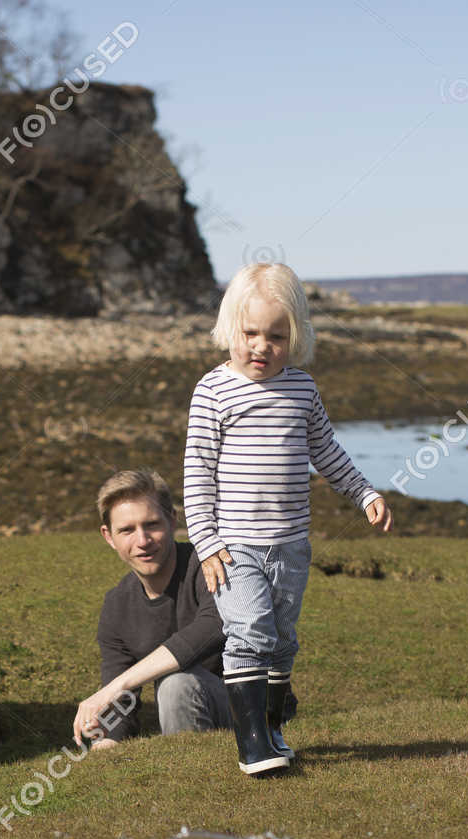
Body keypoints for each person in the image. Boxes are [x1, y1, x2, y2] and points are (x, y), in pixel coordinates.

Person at [183, 262, 393, 775]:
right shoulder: (214, 391)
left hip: (292, 545)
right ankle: (251, 742)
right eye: (250, 333)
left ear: (295, 335)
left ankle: (273, 729)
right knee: (250, 631)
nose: (261, 346)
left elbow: (327, 450)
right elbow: (197, 473)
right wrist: (206, 543)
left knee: (281, 640)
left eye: (276, 336)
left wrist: (363, 492)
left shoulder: (301, 390)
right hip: (236, 547)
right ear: (229, 328)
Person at [72, 469, 230, 748]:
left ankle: (194, 780)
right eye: (127, 530)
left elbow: (214, 626)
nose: (142, 541)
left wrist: (117, 686)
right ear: (108, 537)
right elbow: (121, 705)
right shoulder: (116, 605)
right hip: (187, 723)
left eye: (152, 524)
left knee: (176, 684)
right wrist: (106, 742)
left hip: (250, 710)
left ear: (172, 520)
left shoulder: (208, 563)